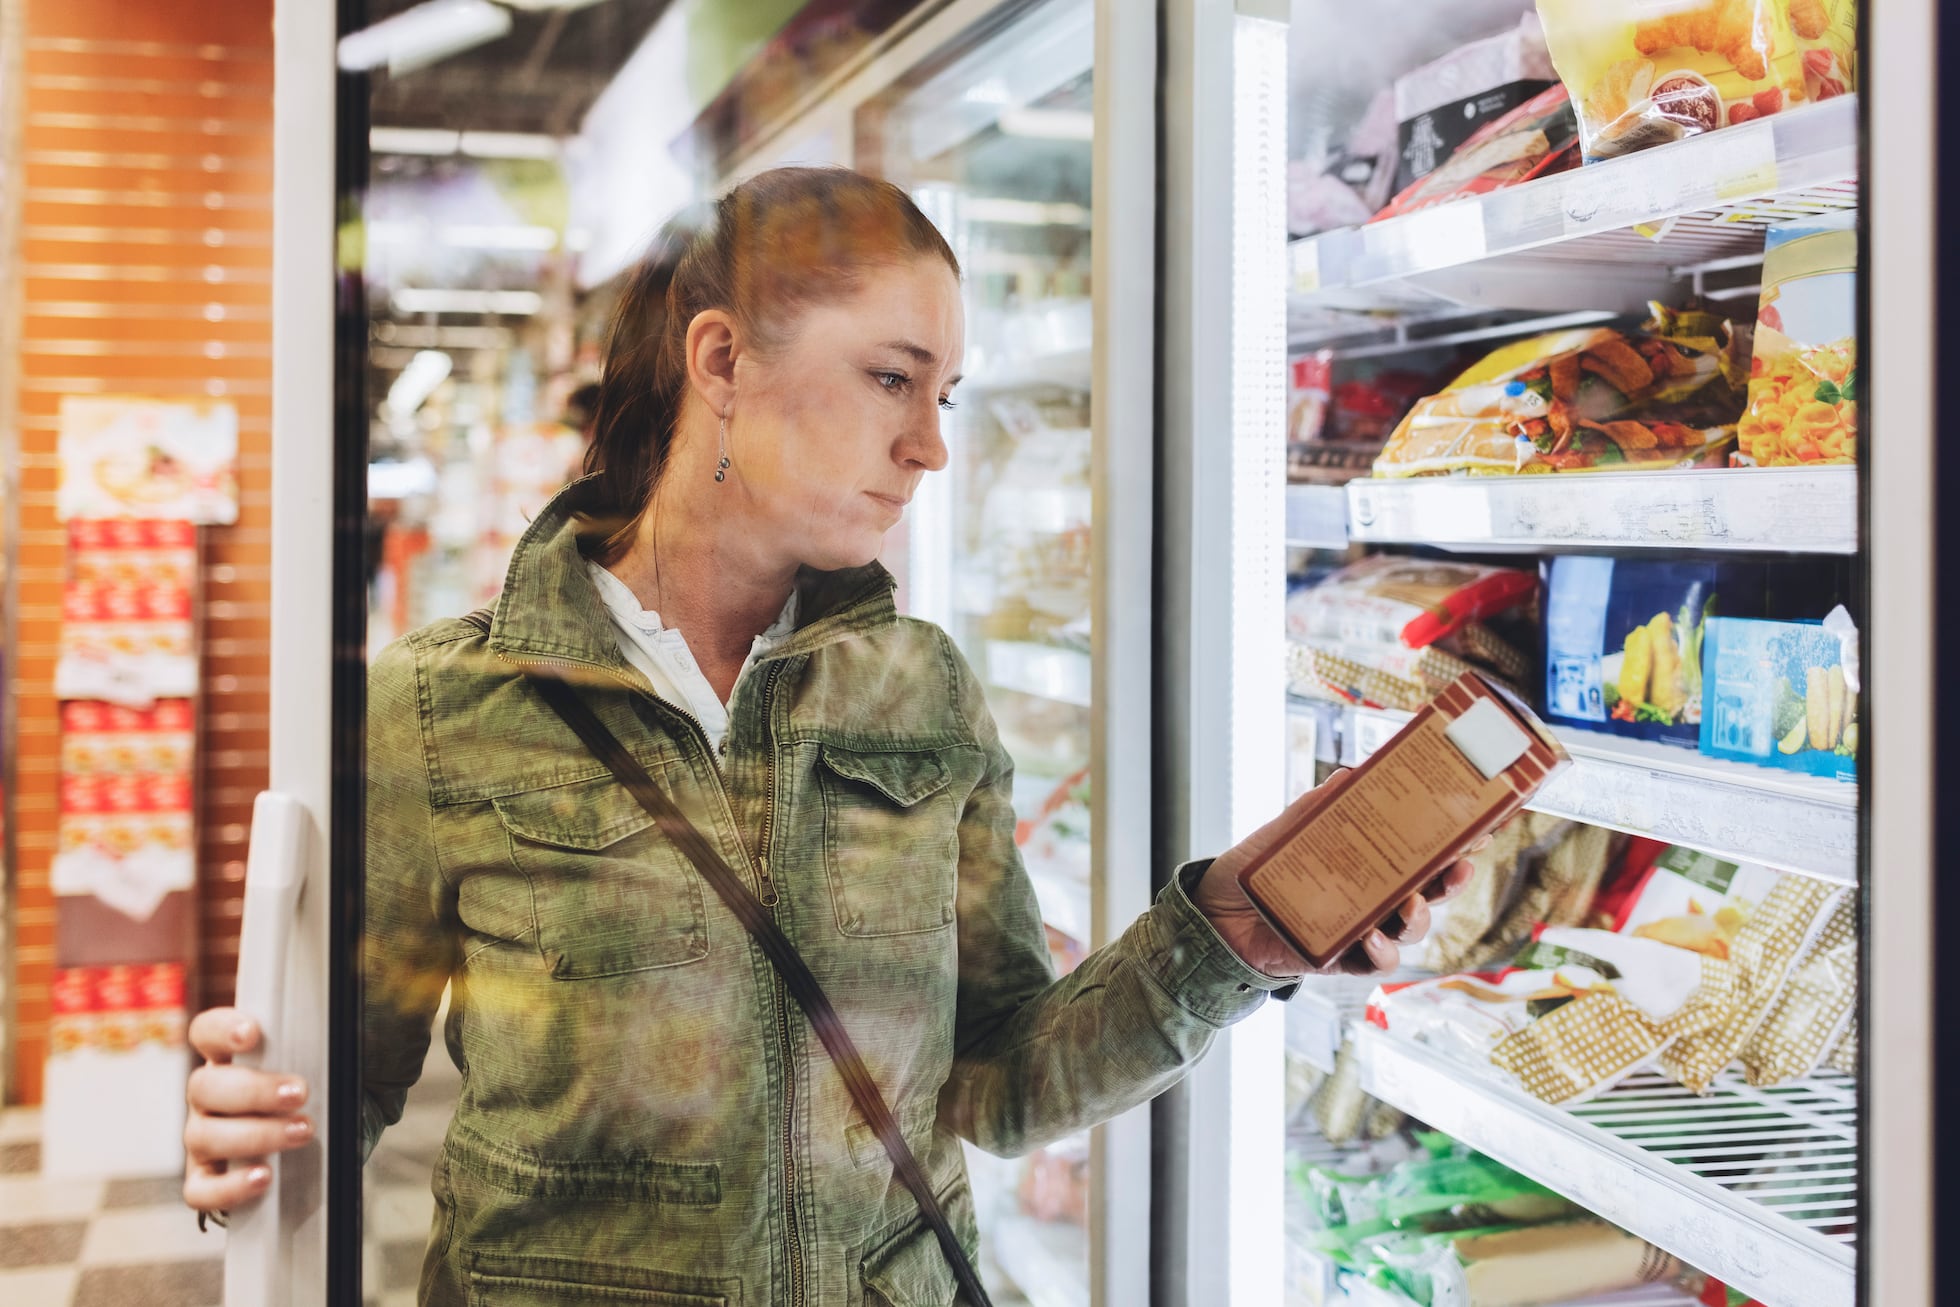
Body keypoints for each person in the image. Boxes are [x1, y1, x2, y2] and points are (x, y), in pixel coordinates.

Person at [182, 167, 1469, 1305]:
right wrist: (236, 1130)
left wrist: (1231, 934)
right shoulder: (439, 703)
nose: (931, 447)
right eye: (891, 377)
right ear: (723, 362)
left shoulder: (922, 692)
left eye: (946, 392)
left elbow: (996, 1079)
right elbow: (335, 1082)